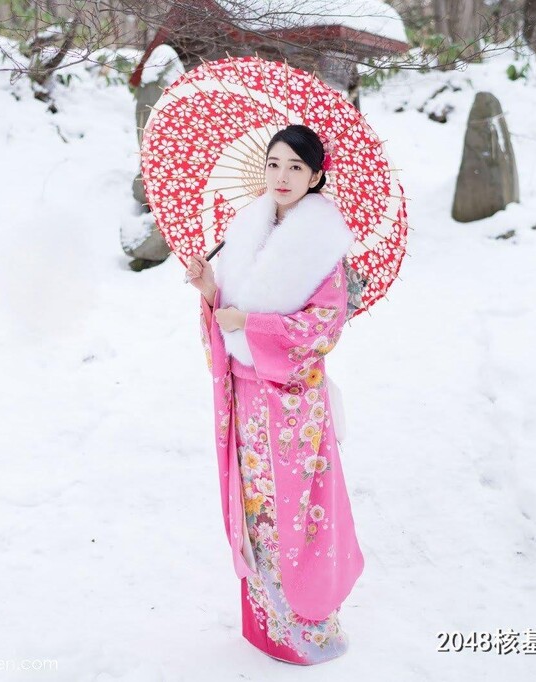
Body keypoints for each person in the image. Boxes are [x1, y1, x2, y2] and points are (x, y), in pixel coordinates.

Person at [185, 124, 364, 665]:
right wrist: (211, 290)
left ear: (315, 176)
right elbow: (230, 314)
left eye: (295, 167)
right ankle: (267, 623)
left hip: (290, 406)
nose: (282, 176)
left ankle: (306, 624)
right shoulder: (247, 231)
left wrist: (254, 324)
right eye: (274, 164)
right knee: (256, 505)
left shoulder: (323, 248)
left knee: (296, 511)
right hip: (246, 397)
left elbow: (324, 329)